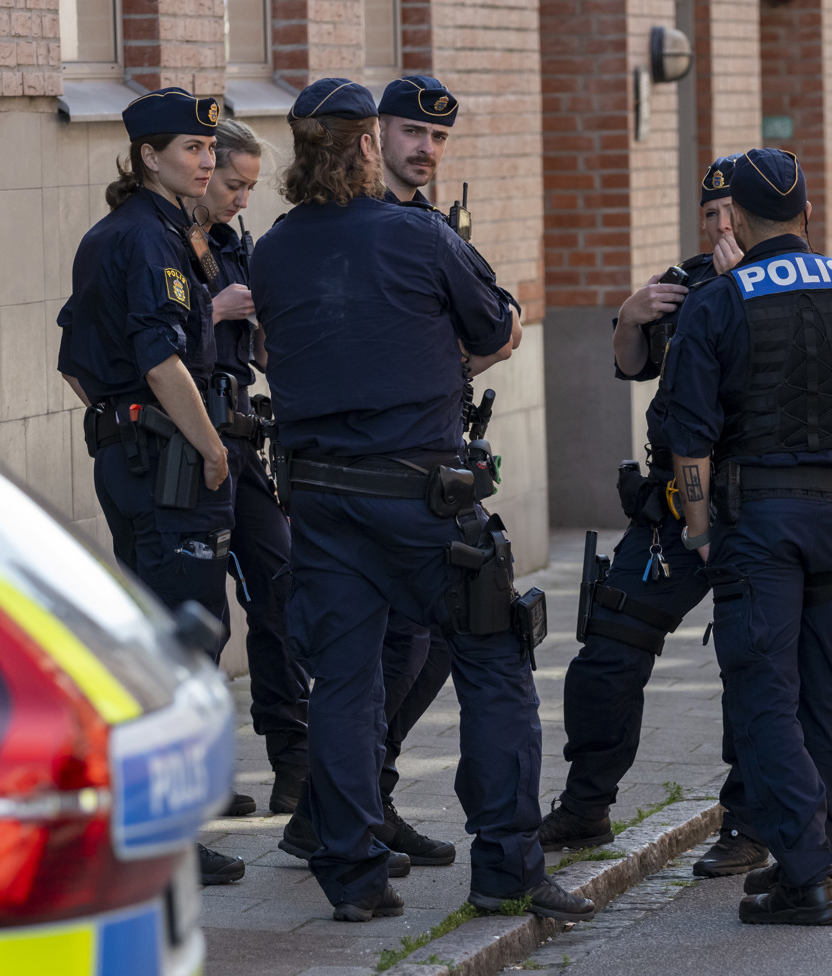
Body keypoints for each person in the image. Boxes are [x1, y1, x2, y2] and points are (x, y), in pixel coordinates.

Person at [249, 77, 594, 925]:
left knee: (343, 683)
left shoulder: (273, 250)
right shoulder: (419, 234)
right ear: (369, 144)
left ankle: (353, 876)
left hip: (319, 499)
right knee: (496, 659)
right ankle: (507, 867)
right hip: (421, 497)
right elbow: (496, 328)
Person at [664, 148, 832, 925]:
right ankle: (813, 859)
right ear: (807, 213)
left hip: (758, 526)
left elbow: (689, 440)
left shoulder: (718, 301)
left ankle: (807, 875)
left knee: (764, 696)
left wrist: (700, 530)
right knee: (821, 695)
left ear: (736, 220)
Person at [538, 155, 770, 881]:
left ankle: (747, 823)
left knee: (755, 664)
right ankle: (586, 804)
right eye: (710, 215)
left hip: (756, 509)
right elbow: (634, 366)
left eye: (732, 214)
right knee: (608, 650)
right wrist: (630, 317)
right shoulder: (685, 281)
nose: (721, 227)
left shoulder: (790, 283)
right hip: (671, 509)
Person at [278, 75, 470, 872]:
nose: (425, 149)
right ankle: (344, 814)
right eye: (411, 133)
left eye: (438, 138)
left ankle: (352, 806)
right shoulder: (327, 232)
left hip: (421, 458)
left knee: (416, 650)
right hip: (374, 476)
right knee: (384, 657)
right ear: (372, 137)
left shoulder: (430, 227)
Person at [55, 87, 246, 886]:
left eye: (208, 149)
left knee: (160, 638)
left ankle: (155, 818)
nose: (206, 161)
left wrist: (116, 419)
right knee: (185, 640)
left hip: (136, 457)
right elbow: (163, 361)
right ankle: (167, 834)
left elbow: (73, 358)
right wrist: (208, 446)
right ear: (148, 156)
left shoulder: (139, 230)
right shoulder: (147, 238)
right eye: (191, 149)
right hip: (167, 466)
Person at [187, 117, 312, 817]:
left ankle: (293, 764)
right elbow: (128, 349)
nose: (239, 198)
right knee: (200, 616)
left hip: (241, 438)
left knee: (281, 588)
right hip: (188, 448)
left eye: (248, 188)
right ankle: (201, 777)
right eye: (232, 184)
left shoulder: (238, 244)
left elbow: (262, 354)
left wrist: (266, 327)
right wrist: (215, 309)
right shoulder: (159, 242)